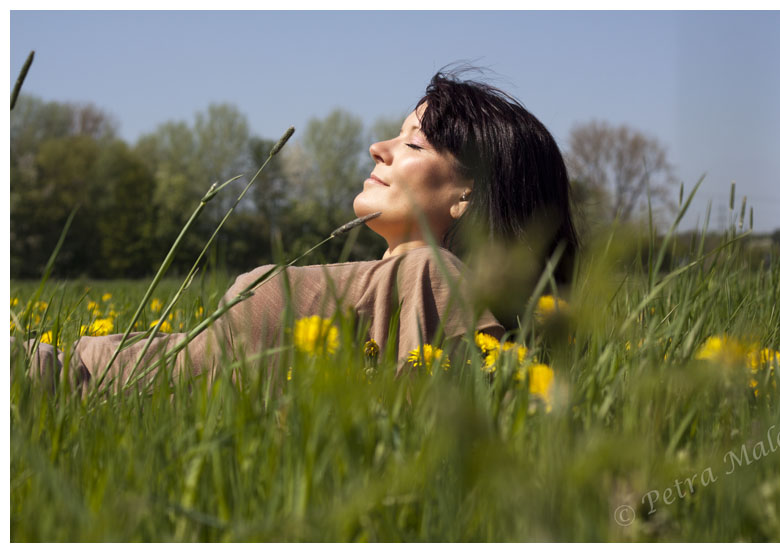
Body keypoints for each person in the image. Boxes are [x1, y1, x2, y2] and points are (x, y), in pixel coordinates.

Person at [15, 69, 579, 392]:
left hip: (68, 388)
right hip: (64, 369)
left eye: (411, 142)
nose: (376, 147)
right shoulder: (402, 282)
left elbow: (478, 402)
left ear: (469, 195)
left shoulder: (430, 276)